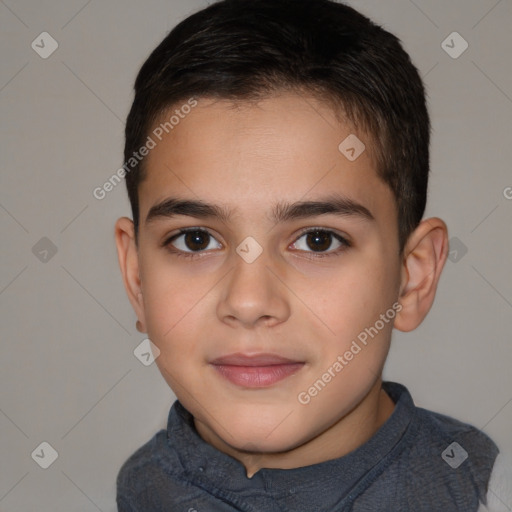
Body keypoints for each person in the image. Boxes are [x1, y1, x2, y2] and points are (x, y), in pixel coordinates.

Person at [113, 0, 511, 509]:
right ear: (137, 279)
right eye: (196, 240)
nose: (250, 302)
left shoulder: (487, 491)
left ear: (412, 278)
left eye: (318, 240)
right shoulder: (139, 488)